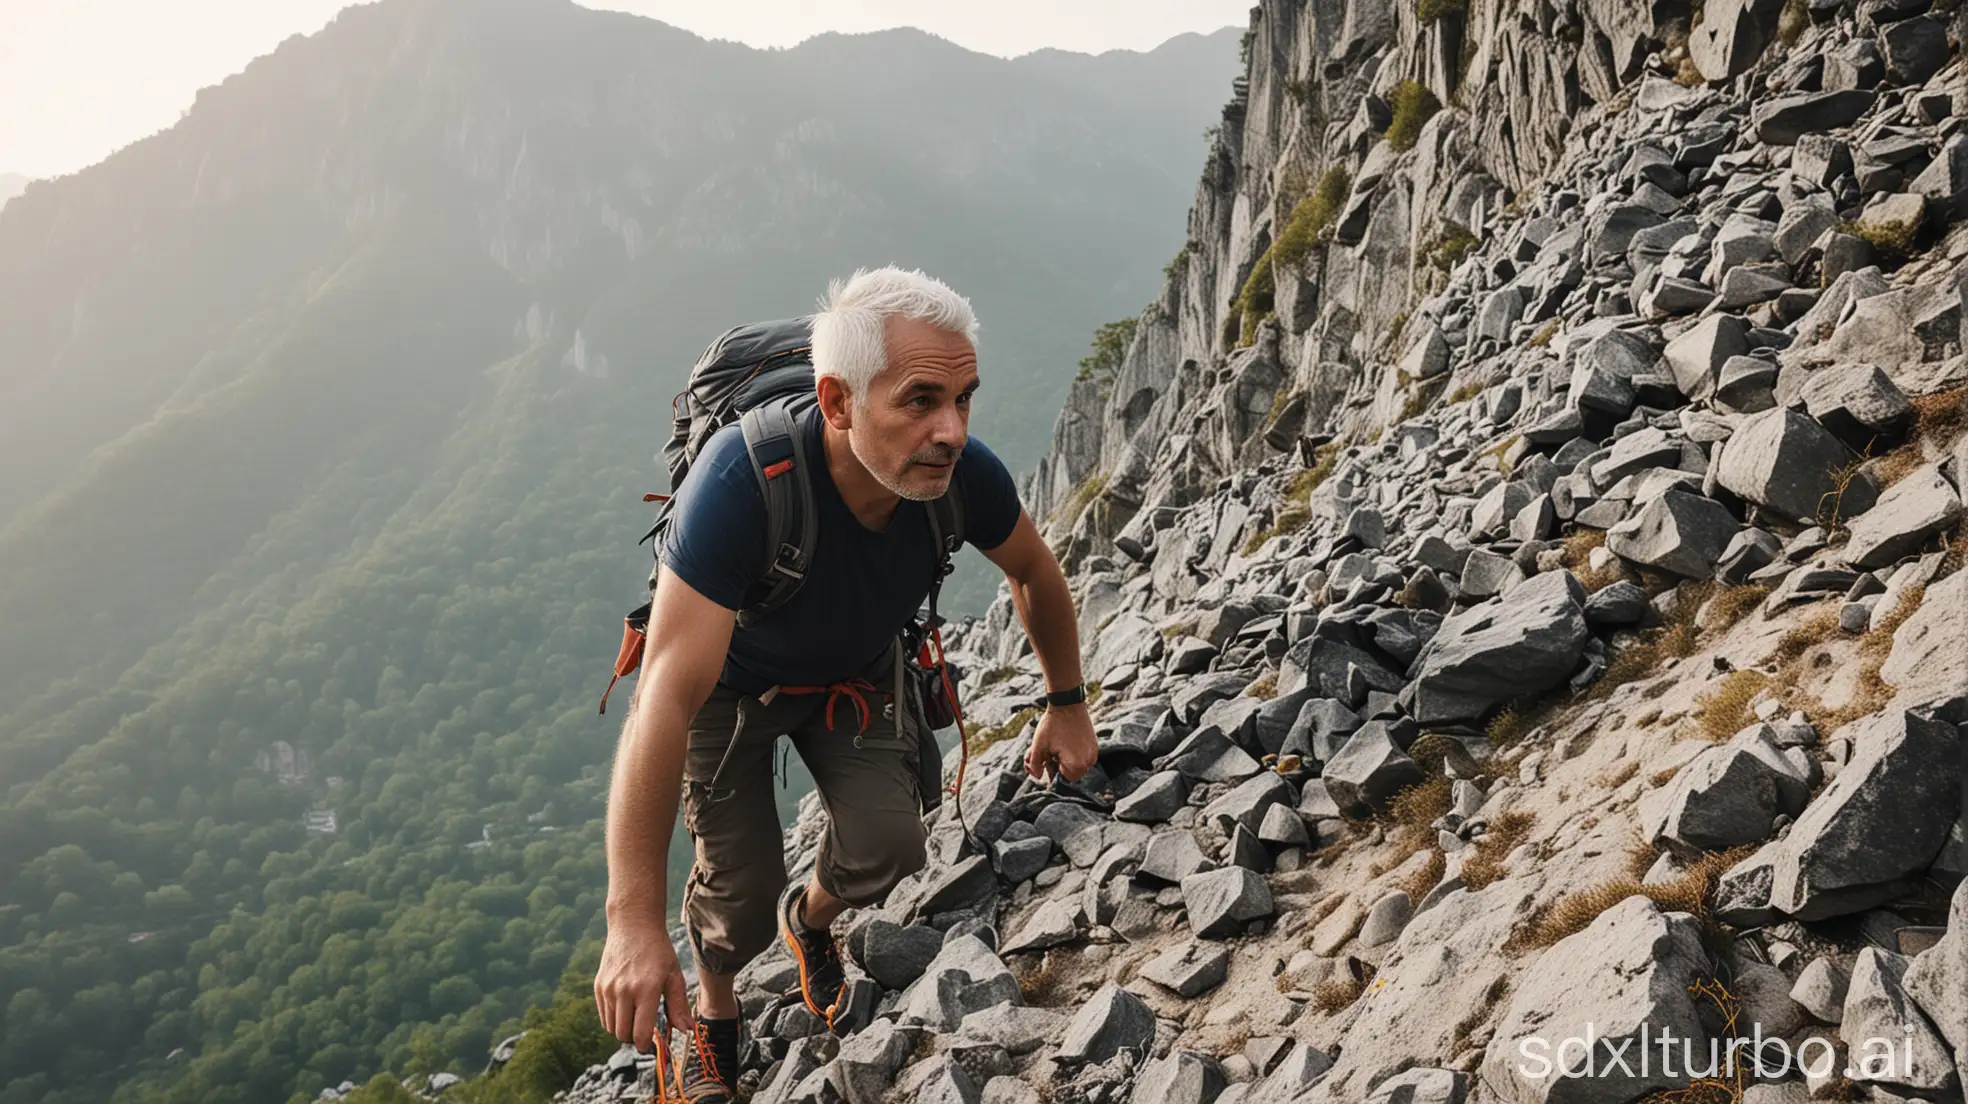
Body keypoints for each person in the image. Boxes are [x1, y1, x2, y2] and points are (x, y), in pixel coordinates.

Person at [593, 267, 1099, 1103]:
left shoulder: (962, 476)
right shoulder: (741, 484)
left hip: (856, 673)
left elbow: (1034, 572)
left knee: (893, 845)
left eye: (965, 398)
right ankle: (717, 1015)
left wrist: (1067, 705)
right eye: (921, 400)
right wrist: (632, 921)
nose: (951, 429)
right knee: (740, 894)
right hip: (731, 691)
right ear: (836, 403)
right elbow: (664, 698)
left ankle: (811, 922)